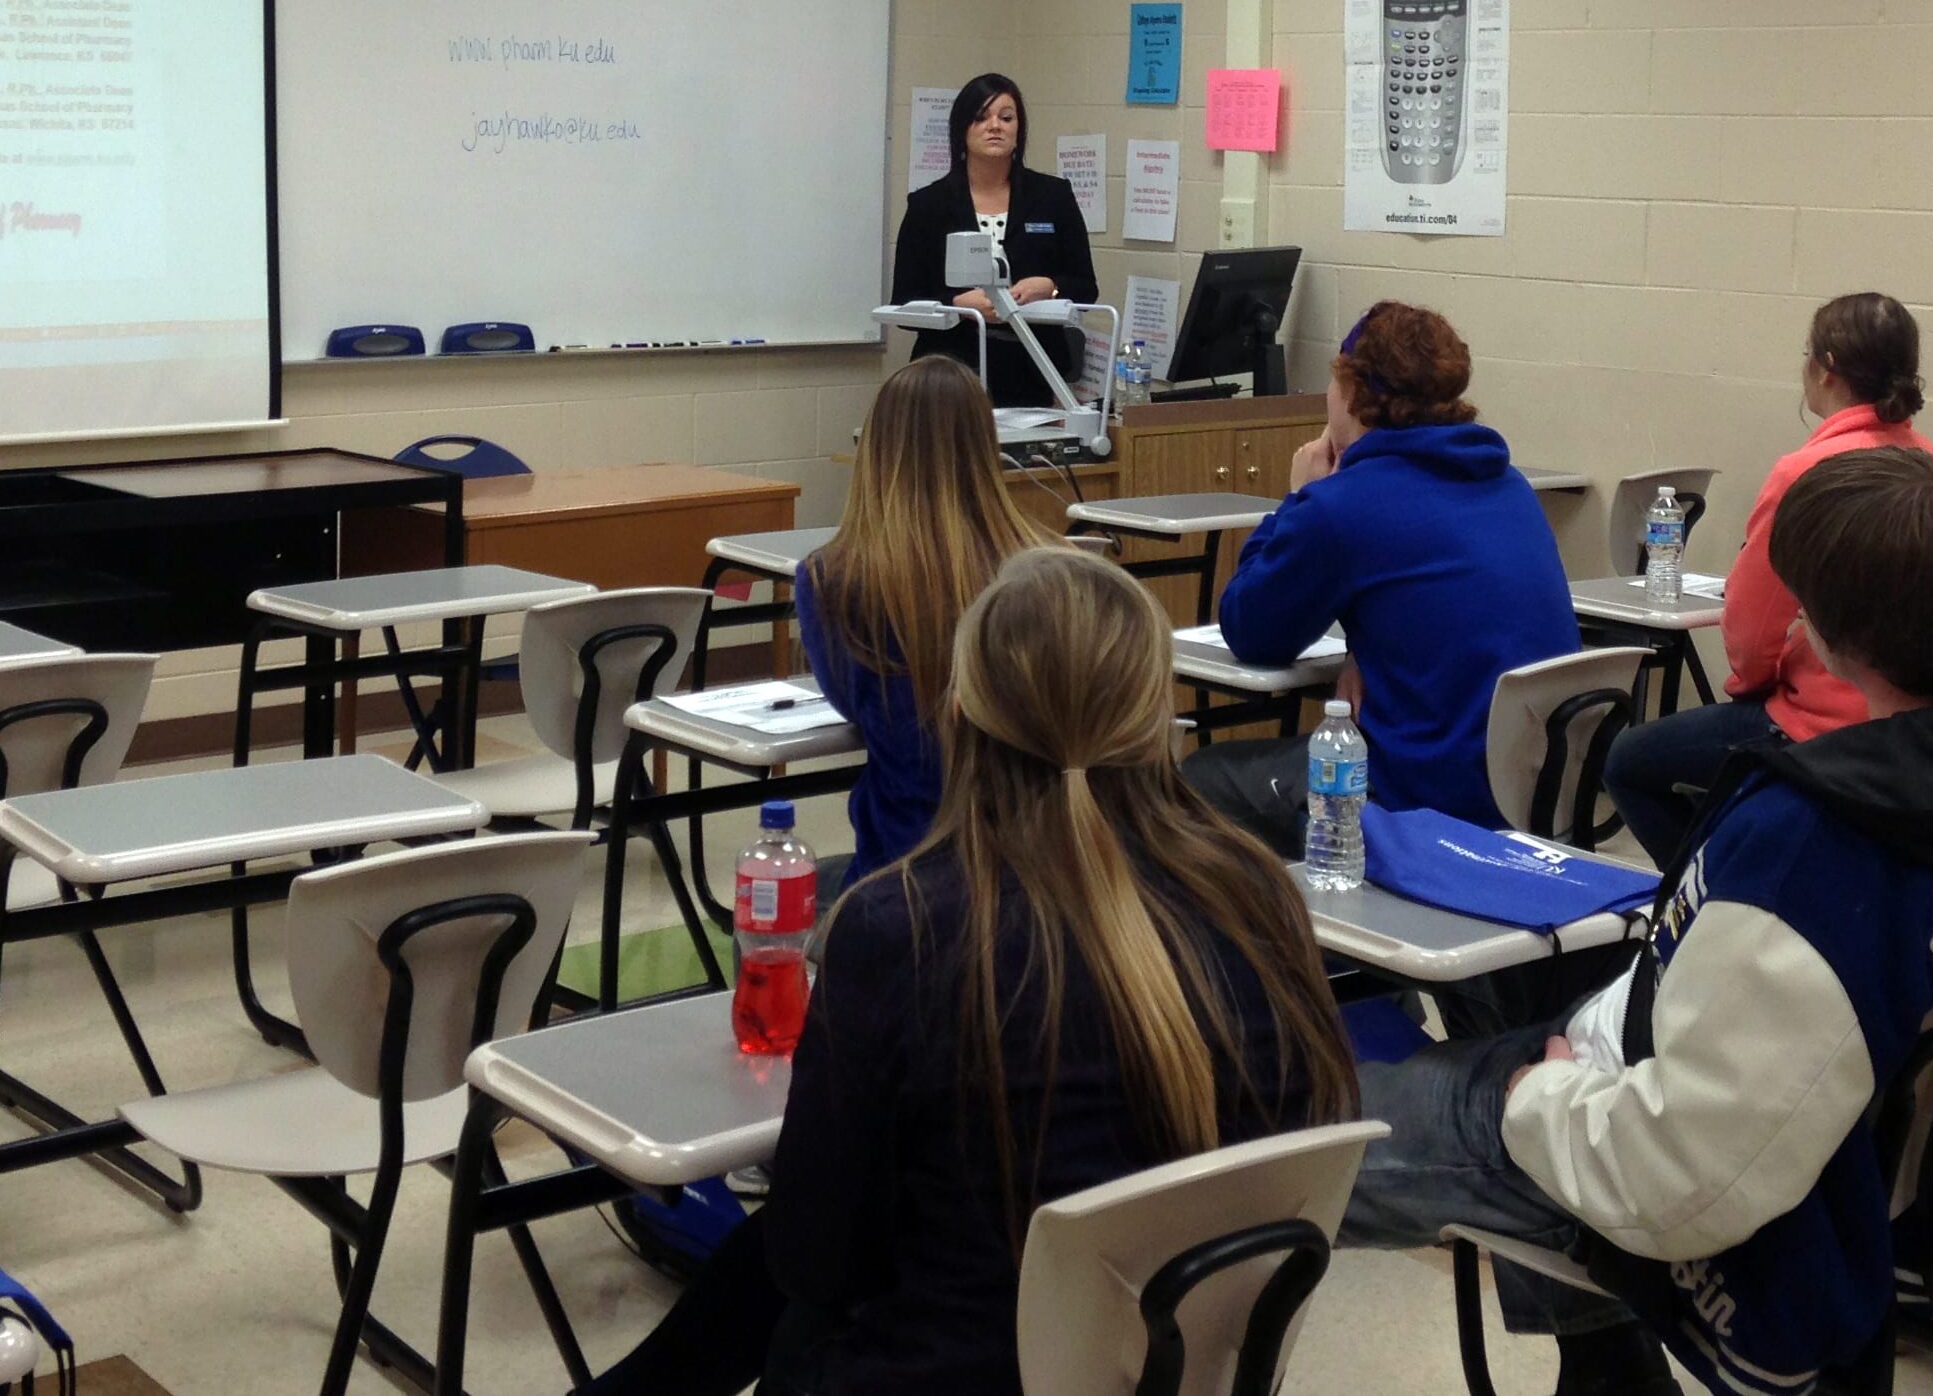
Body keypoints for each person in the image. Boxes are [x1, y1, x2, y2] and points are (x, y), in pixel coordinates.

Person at [1338, 448, 1933, 1396]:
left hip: (1680, 1170)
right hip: (1851, 1161)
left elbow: (1677, 1172)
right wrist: (1919, 1132)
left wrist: (1544, 1098)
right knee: (1518, 988)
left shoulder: (1814, 852)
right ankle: (1608, 1378)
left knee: (1300, 1151)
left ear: (1834, 641)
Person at [578, 547, 1357, 1396]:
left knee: (774, 1287)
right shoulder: (1258, 897)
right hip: (1167, 1370)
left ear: (957, 714)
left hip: (939, 1371)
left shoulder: (902, 929)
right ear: (1157, 719)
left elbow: (813, 1259)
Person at [1185, 300, 1580, 852]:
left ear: (1351, 392)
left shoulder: (1342, 505)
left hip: (1418, 797)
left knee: (1195, 780)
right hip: (1536, 792)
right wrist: (1361, 651)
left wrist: (1297, 497)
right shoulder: (1508, 485)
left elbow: (1251, 629)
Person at [1603, 290, 1933, 869]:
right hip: (1922, 728)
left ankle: (1711, 891)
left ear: (1826, 368)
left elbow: (1751, 629)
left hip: (1821, 722)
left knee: (1629, 763)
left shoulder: (1803, 473)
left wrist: (1753, 685)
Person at [793, 356, 1058, 888]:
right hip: (1040, 867)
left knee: (787, 895)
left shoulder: (832, 578)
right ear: (986, 445)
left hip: (904, 871)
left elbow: (852, 705)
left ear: (876, 449)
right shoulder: (1050, 567)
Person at [891, 73, 1098, 407]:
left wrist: (1050, 287)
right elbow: (904, 302)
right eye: (981, 117)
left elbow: (1086, 287)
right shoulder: (929, 205)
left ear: (1019, 129)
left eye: (1006, 117)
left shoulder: (1053, 196)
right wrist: (957, 305)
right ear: (962, 129)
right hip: (950, 373)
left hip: (1032, 368)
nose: (995, 126)